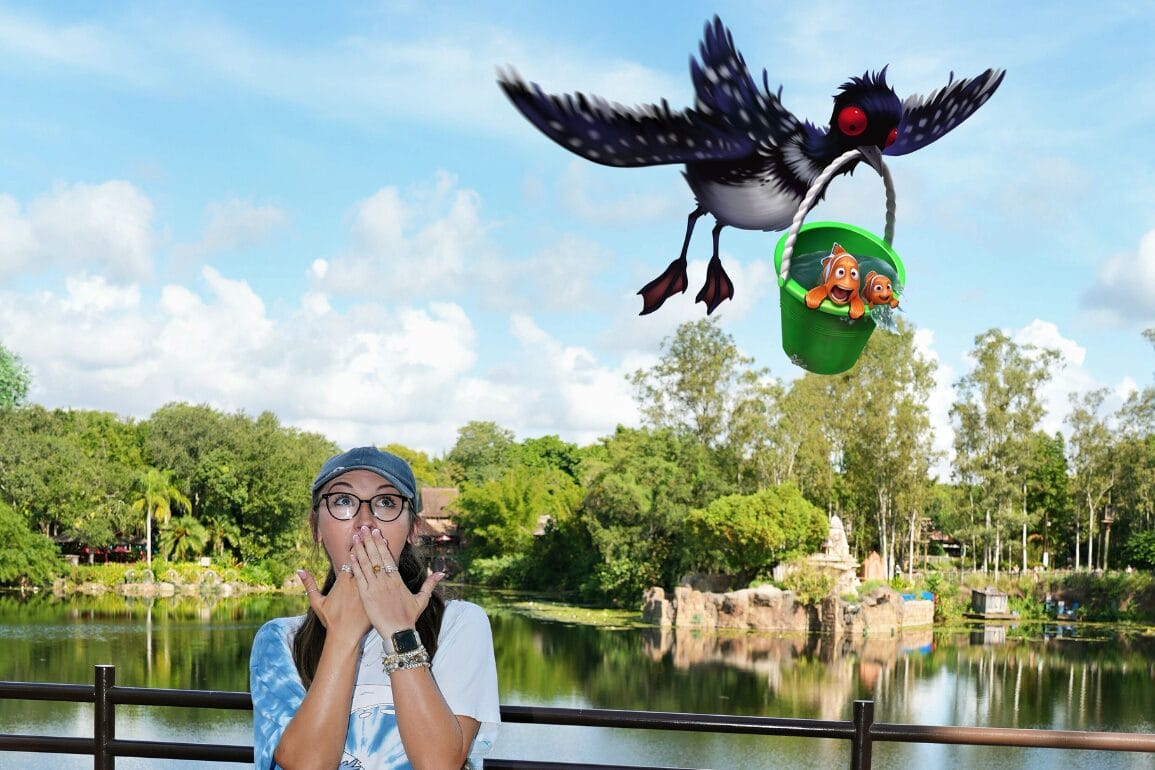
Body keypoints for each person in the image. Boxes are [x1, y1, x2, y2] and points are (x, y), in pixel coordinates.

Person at [250, 446, 500, 769]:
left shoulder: (460, 624)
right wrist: (342, 635)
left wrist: (398, 631)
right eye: (343, 501)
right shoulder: (280, 640)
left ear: (412, 529)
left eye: (386, 503)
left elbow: (439, 763)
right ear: (316, 528)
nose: (364, 522)